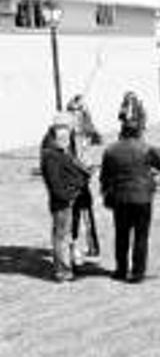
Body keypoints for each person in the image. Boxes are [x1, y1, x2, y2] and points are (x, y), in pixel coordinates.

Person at [100, 93, 160, 283]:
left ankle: (121, 270)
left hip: (120, 199)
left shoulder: (110, 150)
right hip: (143, 198)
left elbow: (104, 176)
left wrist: (107, 194)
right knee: (141, 236)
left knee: (121, 236)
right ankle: (137, 273)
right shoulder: (145, 148)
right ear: (138, 131)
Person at [39, 114, 92, 282]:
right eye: (67, 133)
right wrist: (68, 197)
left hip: (67, 199)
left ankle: (67, 267)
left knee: (65, 235)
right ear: (59, 134)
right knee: (61, 237)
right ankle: (62, 271)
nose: (69, 136)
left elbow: (69, 169)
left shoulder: (59, 150)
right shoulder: (51, 154)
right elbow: (55, 184)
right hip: (62, 202)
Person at [66, 95, 102, 260]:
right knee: (76, 213)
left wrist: (89, 168)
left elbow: (96, 140)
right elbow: (71, 157)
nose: (75, 114)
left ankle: (91, 247)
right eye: (73, 111)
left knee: (84, 212)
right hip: (76, 176)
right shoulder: (69, 132)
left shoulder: (85, 129)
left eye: (77, 110)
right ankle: (75, 247)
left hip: (82, 177)